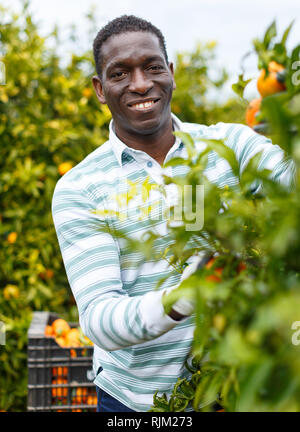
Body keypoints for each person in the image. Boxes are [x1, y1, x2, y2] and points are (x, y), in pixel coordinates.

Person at [51, 15, 295, 412]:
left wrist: (290, 128)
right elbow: (99, 318)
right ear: (100, 88)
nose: (141, 84)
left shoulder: (230, 144)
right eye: (120, 73)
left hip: (236, 384)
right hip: (138, 401)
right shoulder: (81, 187)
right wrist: (182, 298)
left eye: (152, 67)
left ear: (172, 73)